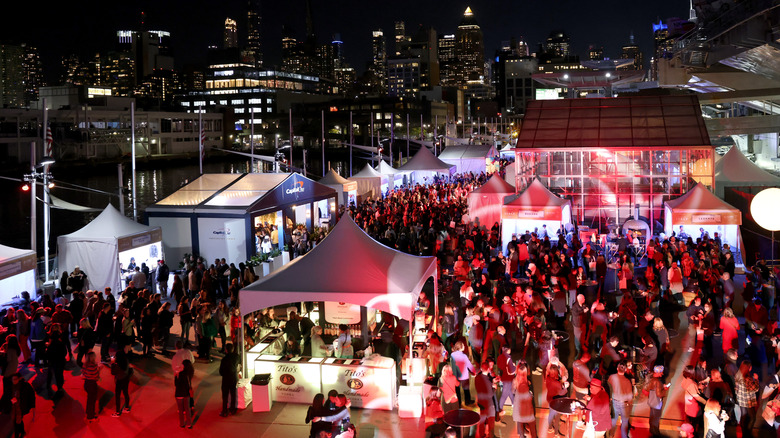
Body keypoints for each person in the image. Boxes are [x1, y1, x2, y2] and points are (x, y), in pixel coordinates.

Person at [5, 372, 36, 438]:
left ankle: (17, 435)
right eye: (13, 379)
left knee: (17, 422)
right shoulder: (10, 386)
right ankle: (22, 432)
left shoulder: (25, 386)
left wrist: (33, 405)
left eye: (15, 379)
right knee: (16, 421)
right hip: (13, 408)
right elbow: (6, 396)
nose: (14, 381)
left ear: (19, 379)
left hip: (21, 407)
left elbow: (31, 396)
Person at [608, 362, 634, 438]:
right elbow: (629, 397)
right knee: (625, 421)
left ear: (617, 368)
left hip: (614, 402)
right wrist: (630, 405)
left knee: (613, 420)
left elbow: (609, 388)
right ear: (625, 370)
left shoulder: (611, 377)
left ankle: (611, 435)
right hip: (624, 404)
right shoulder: (627, 381)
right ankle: (624, 436)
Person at [512, 362, 537, 438]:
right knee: (532, 423)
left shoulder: (515, 380)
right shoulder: (527, 382)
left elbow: (513, 391)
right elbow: (530, 395)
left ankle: (521, 435)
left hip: (519, 404)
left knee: (520, 421)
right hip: (526, 406)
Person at [643, 365, 669, 437]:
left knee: (652, 417)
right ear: (658, 372)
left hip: (651, 401)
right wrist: (665, 389)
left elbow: (648, 389)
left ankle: (651, 431)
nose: (662, 374)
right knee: (656, 419)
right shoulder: (657, 382)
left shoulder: (650, 378)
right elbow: (659, 394)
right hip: (656, 403)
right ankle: (655, 434)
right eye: (661, 372)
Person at [450, 340, 475, 406]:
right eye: (463, 345)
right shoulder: (464, 356)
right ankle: (467, 401)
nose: (464, 346)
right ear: (460, 347)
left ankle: (459, 403)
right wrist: (474, 371)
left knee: (457, 390)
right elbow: (469, 365)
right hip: (464, 376)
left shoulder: (452, 355)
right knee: (466, 389)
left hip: (455, 375)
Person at [219, 343, 241, 417]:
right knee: (233, 394)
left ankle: (225, 410)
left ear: (226, 350)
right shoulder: (236, 357)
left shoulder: (224, 359)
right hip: (233, 377)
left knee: (225, 395)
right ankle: (233, 409)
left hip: (226, 379)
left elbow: (221, 372)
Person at [475, 362, 496, 438]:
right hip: (488, 404)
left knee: (482, 421)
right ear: (488, 369)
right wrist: (494, 388)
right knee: (491, 421)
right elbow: (490, 394)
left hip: (481, 402)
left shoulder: (477, 378)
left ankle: (481, 435)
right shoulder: (487, 381)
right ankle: (490, 435)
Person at [110, 344, 132, 416]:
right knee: (125, 392)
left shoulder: (117, 365)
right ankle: (127, 407)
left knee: (117, 395)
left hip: (119, 380)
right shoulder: (125, 361)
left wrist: (112, 364)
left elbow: (113, 372)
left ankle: (117, 412)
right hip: (126, 378)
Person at [175, 359, 195, 428]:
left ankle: (182, 424)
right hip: (186, 394)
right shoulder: (189, 373)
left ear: (184, 365)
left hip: (179, 394)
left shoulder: (180, 374)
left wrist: (176, 376)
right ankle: (189, 424)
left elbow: (176, 384)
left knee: (180, 410)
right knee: (187, 409)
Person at [82, 351, 100, 422]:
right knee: (92, 400)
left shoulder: (85, 364)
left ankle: (88, 413)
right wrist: (98, 370)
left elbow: (83, 373)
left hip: (86, 383)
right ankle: (91, 416)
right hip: (92, 384)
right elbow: (96, 376)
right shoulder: (93, 366)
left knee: (89, 399)